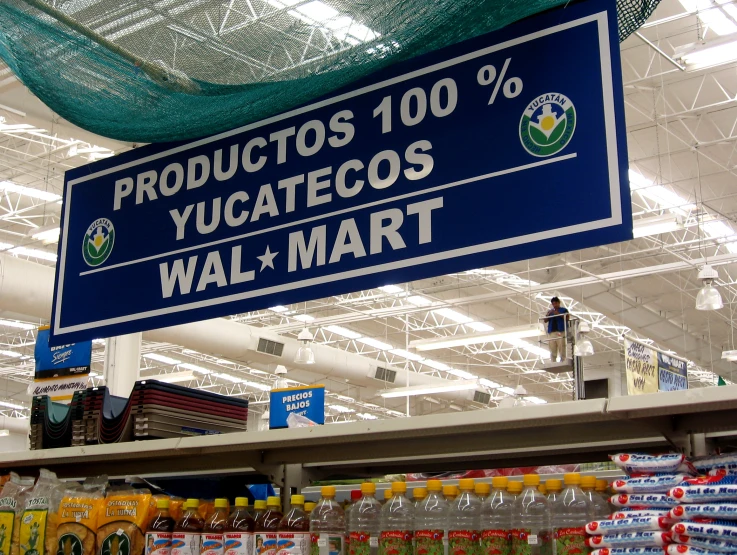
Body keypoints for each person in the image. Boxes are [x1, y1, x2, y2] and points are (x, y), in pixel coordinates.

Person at [544, 296, 569, 362]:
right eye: (553, 304)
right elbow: (545, 320)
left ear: (559, 303)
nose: (554, 305)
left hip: (560, 331)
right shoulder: (550, 311)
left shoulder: (564, 310)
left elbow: (567, 318)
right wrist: (548, 314)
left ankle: (563, 360)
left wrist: (558, 314)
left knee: (561, 346)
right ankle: (553, 360)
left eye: (555, 303)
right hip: (551, 331)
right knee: (552, 347)